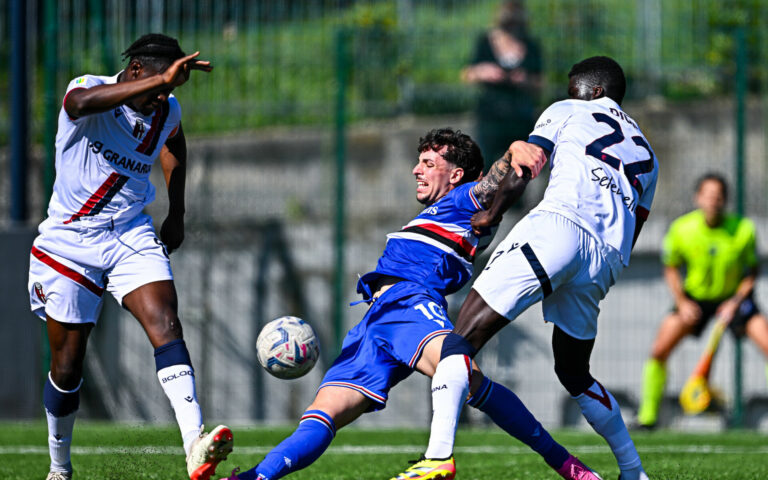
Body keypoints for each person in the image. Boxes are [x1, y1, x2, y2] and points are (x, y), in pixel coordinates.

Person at [218, 128, 600, 480]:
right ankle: (254, 478)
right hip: (375, 323)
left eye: (429, 163)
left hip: (409, 305)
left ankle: (560, 464)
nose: (416, 170)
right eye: (418, 161)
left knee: (470, 379)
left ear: (456, 175)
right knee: (322, 416)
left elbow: (499, 182)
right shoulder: (441, 209)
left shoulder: (461, 200)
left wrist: (514, 151)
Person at [404, 56, 658, 480]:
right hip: (606, 256)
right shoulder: (648, 152)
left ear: (595, 91)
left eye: (573, 86)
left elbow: (527, 165)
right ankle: (633, 472)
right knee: (574, 372)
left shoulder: (565, 109)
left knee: (459, 340)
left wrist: (493, 212)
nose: (569, 93)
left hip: (558, 227)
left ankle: (438, 457)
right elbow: (636, 225)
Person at [27, 34, 232, 480]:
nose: (164, 98)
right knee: (67, 365)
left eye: (170, 91)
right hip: (69, 241)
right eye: (160, 86)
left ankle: (194, 444)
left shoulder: (166, 109)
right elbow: (80, 104)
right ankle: (59, 469)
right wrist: (159, 80)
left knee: (166, 323)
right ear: (137, 70)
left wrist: (176, 211)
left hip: (129, 233)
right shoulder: (88, 87)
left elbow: (175, 143)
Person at [636, 173, 768, 428]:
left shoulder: (744, 230)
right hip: (694, 300)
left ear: (725, 200)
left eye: (718, 197)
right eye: (708, 196)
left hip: (734, 300)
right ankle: (648, 418)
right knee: (659, 350)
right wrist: (682, 302)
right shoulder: (681, 229)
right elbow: (671, 268)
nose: (713, 201)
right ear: (698, 198)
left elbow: (751, 272)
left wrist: (735, 302)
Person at [462, 0, 542, 173]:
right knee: (488, 165)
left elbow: (540, 82)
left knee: (518, 169)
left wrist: (524, 80)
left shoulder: (531, 45)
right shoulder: (485, 42)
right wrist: (484, 72)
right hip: (490, 116)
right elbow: (467, 73)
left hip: (520, 116)